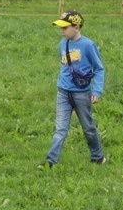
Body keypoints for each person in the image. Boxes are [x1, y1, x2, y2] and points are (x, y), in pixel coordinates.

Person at [41, 11, 107, 168]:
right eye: (61, 28)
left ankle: (98, 157)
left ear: (77, 27)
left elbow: (99, 69)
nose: (62, 31)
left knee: (88, 128)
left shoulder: (88, 45)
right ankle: (51, 162)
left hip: (82, 94)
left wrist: (97, 91)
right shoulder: (62, 44)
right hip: (63, 92)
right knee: (60, 129)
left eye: (65, 28)